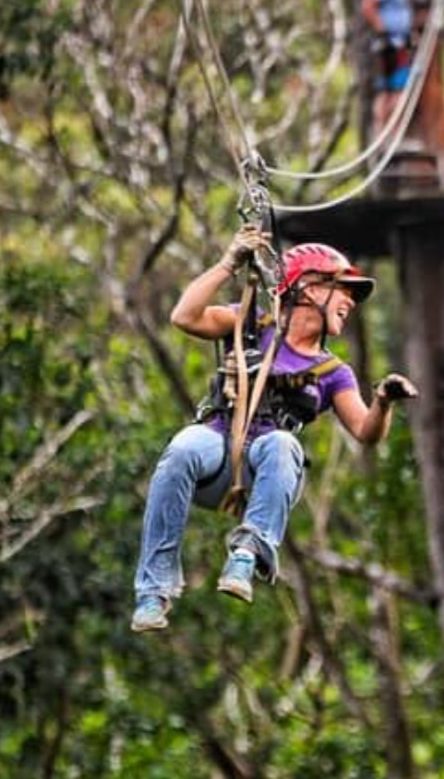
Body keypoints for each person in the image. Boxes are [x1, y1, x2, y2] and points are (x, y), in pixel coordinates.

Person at [131, 229, 418, 632]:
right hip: (217, 446)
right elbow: (185, 317)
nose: (350, 303)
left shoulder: (334, 373)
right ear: (309, 289)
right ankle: (152, 591)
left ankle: (249, 552)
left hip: (265, 470)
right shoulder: (250, 324)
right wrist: (229, 261)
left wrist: (383, 402)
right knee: (180, 449)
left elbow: (366, 433)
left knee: (283, 444)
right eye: (344, 290)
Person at [362, 0, 414, 136]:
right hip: (388, 44)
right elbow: (367, 6)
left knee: (399, 90)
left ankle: (393, 134)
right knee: (384, 90)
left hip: (400, 44)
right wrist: (382, 31)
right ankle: (381, 133)